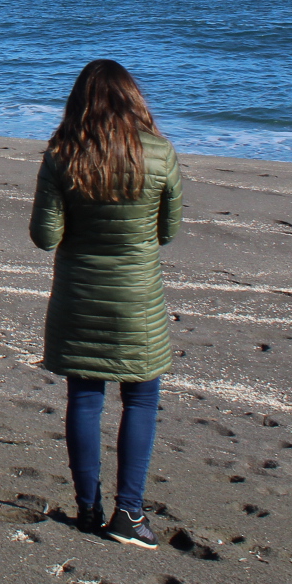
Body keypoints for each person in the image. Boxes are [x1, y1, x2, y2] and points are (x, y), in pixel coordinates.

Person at [30, 59, 183, 550]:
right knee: (140, 399)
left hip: (79, 295)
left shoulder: (62, 155)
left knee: (85, 398)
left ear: (79, 103)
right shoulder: (160, 155)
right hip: (138, 300)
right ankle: (131, 514)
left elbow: (45, 236)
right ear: (134, 100)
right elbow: (167, 232)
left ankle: (88, 510)